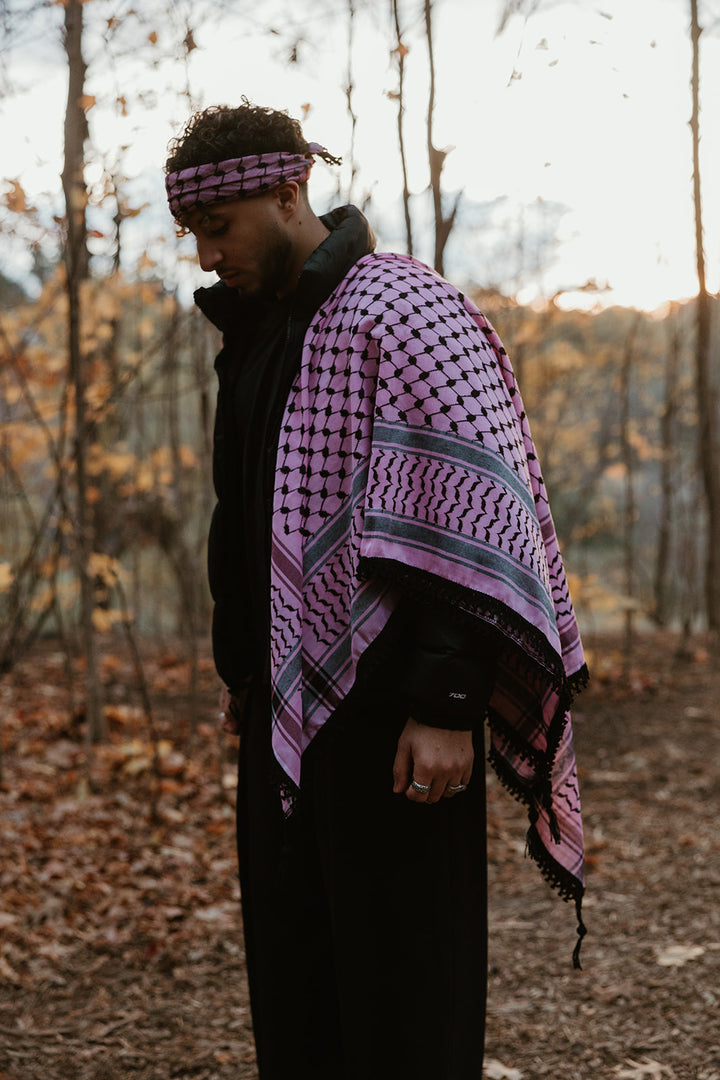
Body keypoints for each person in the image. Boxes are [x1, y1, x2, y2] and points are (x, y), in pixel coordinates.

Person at [165, 100, 588, 1080]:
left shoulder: (400, 305)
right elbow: (248, 519)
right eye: (192, 235)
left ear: (287, 191)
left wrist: (446, 704)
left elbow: (481, 515)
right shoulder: (259, 333)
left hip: (399, 717)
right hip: (286, 709)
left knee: (404, 1000)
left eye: (218, 229)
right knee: (301, 986)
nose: (204, 257)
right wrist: (243, 670)